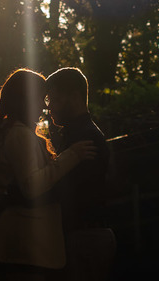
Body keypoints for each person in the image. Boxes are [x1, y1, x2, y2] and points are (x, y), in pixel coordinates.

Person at [0, 68, 96, 280]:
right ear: (25, 99)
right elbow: (32, 186)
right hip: (26, 245)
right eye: (40, 98)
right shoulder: (20, 134)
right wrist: (72, 155)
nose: (45, 106)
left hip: (27, 244)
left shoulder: (16, 132)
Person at [45, 67, 117, 281]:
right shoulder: (76, 134)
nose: (49, 107)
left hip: (85, 239)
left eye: (55, 99)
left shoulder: (85, 138)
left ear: (75, 97)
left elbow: (68, 189)